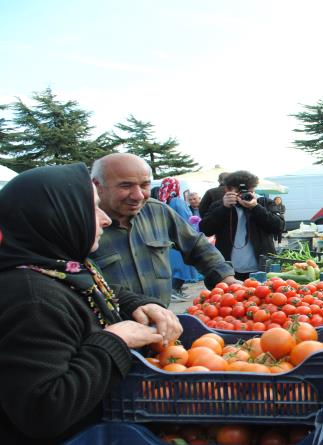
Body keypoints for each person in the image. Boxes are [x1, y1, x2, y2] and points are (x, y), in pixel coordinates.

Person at [0, 163, 182, 444]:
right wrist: (116, 341)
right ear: (56, 216)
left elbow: (90, 291)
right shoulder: (31, 300)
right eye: (92, 208)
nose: (105, 219)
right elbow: (44, 410)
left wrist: (136, 303)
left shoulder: (60, 265)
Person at [89, 153, 235, 307]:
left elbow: (197, 246)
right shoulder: (81, 225)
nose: (138, 195)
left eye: (145, 185)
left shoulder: (157, 211)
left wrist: (225, 278)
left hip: (163, 323)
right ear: (97, 185)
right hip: (111, 327)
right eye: (126, 185)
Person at [199, 170, 284, 280]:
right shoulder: (220, 205)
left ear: (253, 189)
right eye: (239, 191)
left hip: (261, 268)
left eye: (247, 191)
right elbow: (206, 229)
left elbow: (279, 227)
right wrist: (224, 208)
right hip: (229, 271)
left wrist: (256, 208)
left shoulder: (264, 203)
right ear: (228, 190)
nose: (243, 195)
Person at [158, 178, 202, 299]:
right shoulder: (178, 201)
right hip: (181, 239)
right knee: (183, 266)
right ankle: (174, 290)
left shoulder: (163, 202)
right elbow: (186, 220)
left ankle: (176, 289)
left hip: (169, 239)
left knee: (175, 266)